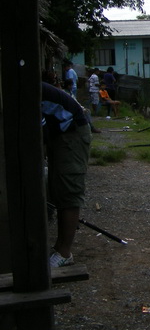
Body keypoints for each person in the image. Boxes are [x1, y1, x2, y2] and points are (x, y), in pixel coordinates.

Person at [42, 81, 91, 267]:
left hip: (73, 133)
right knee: (58, 190)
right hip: (59, 135)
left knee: (69, 191)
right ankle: (59, 247)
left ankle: (65, 252)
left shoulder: (27, 89)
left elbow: (39, 131)